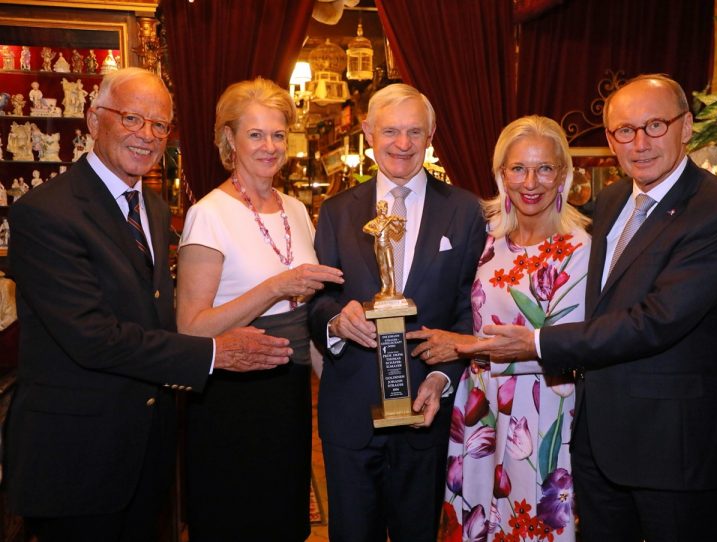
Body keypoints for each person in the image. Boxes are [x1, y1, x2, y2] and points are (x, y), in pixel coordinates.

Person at [458, 74, 717, 542]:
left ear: (687, 126)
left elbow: (658, 321)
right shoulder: (614, 200)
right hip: (596, 444)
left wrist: (537, 341)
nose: (639, 143)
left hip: (672, 448)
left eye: (655, 125)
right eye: (624, 131)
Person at [5, 67, 293, 542]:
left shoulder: (153, 209)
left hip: (144, 452)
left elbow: (155, 314)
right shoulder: (45, 212)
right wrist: (216, 352)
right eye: (133, 119)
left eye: (160, 125)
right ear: (94, 119)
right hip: (77, 458)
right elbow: (92, 339)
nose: (147, 135)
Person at [309, 83, 486, 541]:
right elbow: (316, 302)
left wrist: (441, 375)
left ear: (431, 136)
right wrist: (335, 320)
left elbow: (470, 310)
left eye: (414, 132)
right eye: (391, 131)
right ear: (368, 132)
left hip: (426, 415)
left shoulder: (466, 211)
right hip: (350, 414)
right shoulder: (336, 213)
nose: (402, 144)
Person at [175, 77, 343, 542]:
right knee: (235, 524)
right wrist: (275, 287)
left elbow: (305, 317)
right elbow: (190, 326)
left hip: (288, 396)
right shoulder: (208, 213)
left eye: (278, 133)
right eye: (255, 134)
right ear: (229, 139)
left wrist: (336, 385)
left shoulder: (295, 209)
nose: (269, 146)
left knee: (285, 523)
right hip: (232, 396)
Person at [442, 116, 590, 541]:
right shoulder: (488, 240)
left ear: (563, 174)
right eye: (518, 168)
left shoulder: (579, 249)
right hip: (480, 407)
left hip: (542, 411)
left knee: (530, 524)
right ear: (501, 173)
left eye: (544, 168)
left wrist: (464, 347)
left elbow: (568, 347)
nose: (531, 182)